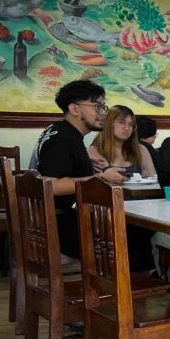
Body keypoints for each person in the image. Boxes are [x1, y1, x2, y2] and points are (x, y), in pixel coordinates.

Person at [34, 80, 126, 259]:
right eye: (98, 107)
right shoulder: (63, 140)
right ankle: (132, 284)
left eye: (104, 107)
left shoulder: (59, 132)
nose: (104, 114)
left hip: (62, 220)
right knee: (137, 233)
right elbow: (51, 185)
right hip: (63, 227)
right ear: (74, 109)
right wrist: (101, 178)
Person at [88, 105, 157, 178]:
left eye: (131, 124)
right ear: (109, 123)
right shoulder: (93, 151)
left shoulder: (141, 150)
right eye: (121, 122)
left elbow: (152, 179)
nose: (127, 128)